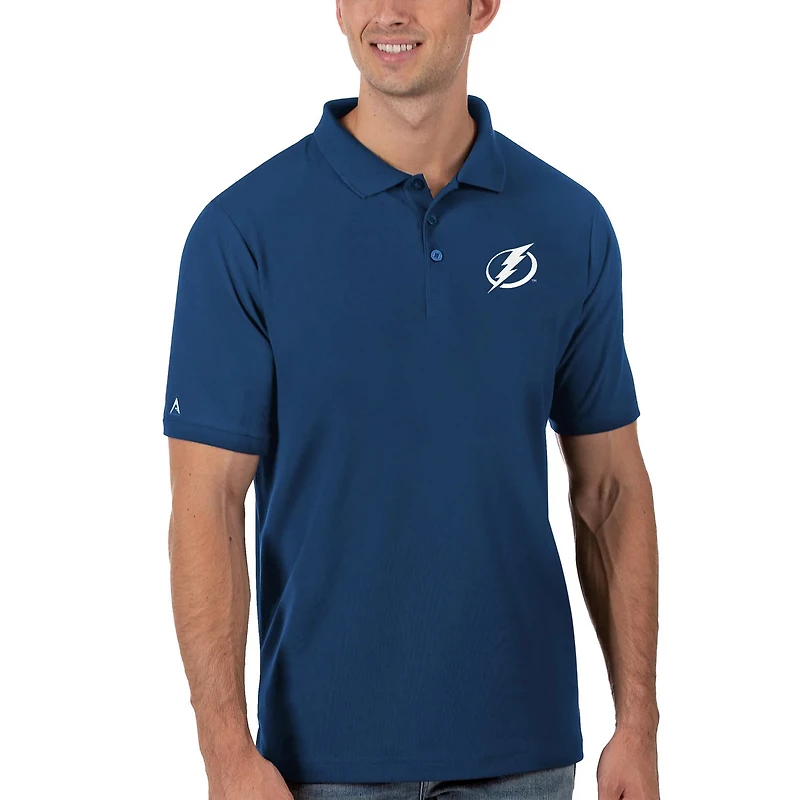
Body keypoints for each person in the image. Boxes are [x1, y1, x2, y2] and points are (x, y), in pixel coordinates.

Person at [162, 1, 661, 799]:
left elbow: (610, 491)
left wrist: (638, 724)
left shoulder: (569, 225)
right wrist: (225, 752)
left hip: (524, 758)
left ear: (482, 6)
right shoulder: (243, 232)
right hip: (317, 767)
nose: (388, 11)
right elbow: (206, 504)